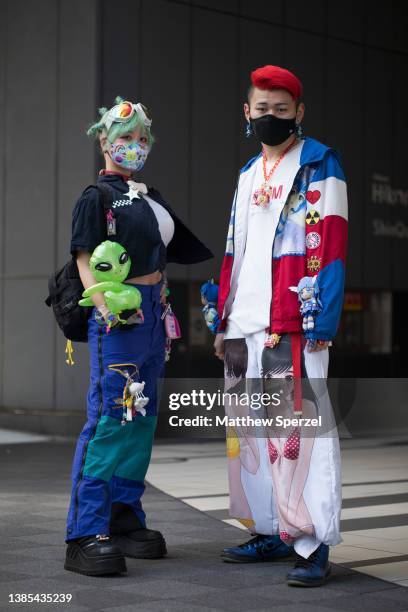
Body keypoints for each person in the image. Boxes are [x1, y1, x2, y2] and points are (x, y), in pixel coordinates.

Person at [64, 97, 213, 576]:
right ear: (104, 141)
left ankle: (123, 516)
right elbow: (84, 258)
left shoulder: (148, 194)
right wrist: (103, 306)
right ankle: (85, 531)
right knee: (110, 416)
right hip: (119, 315)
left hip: (154, 315)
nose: (135, 146)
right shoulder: (97, 196)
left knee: (140, 416)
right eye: (124, 138)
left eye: (141, 138)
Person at [214, 65, 348, 587]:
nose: (271, 117)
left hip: (294, 317)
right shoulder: (248, 173)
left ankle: (313, 542)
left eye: (282, 109)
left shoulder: (318, 162)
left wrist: (323, 315)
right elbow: (234, 250)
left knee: (304, 432)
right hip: (246, 323)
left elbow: (331, 240)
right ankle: (270, 529)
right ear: (247, 112)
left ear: (299, 113)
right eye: (262, 108)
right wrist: (222, 318)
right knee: (253, 434)